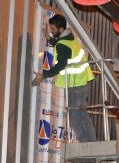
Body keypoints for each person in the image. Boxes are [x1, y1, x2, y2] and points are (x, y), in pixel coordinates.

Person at [31, 14, 96, 143]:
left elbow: (61, 64)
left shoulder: (63, 45)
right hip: (82, 82)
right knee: (83, 114)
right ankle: (92, 142)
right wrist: (50, 40)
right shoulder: (72, 38)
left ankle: (86, 145)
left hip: (74, 84)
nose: (52, 31)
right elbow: (63, 45)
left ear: (61, 29)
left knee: (74, 116)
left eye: (53, 30)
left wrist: (43, 75)